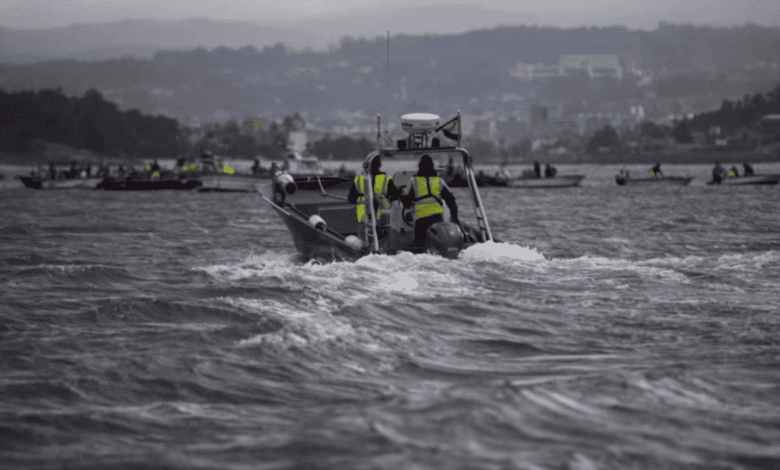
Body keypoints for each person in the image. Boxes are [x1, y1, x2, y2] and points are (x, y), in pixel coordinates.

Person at [401, 154, 459, 250]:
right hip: (438, 219)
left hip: (421, 220)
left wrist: (402, 197)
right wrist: (455, 218)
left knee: (419, 246)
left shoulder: (414, 181)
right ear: (433, 166)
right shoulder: (439, 181)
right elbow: (451, 200)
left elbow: (406, 203)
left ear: (419, 166)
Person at [348, 155, 400, 230]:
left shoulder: (359, 179)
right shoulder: (386, 179)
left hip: (363, 219)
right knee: (383, 239)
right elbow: (396, 196)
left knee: (364, 239)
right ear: (379, 164)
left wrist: (363, 199)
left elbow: (351, 199)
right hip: (383, 219)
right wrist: (384, 201)